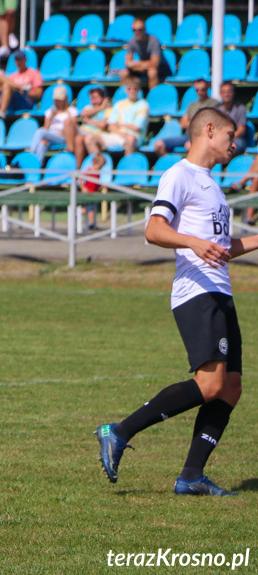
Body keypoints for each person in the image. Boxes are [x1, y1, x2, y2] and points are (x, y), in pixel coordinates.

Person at [96, 108, 254, 497]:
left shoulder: (214, 187)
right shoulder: (178, 174)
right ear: (209, 130)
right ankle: (118, 431)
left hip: (221, 291)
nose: (235, 144)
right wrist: (194, 242)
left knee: (230, 387)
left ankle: (191, 477)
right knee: (211, 383)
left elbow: (222, 249)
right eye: (230, 135)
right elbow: (154, 230)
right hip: (196, 293)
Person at [84, 75, 148, 158]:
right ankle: (99, 166)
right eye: (129, 88)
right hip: (118, 134)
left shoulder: (143, 105)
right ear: (126, 90)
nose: (132, 91)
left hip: (135, 136)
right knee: (89, 139)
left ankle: (126, 168)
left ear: (139, 90)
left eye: (135, 89)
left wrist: (120, 125)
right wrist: (122, 133)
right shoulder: (119, 104)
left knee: (130, 139)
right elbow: (111, 126)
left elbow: (136, 127)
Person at [154, 79, 218, 157]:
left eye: (202, 89)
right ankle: (174, 164)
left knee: (189, 146)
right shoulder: (192, 105)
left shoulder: (214, 104)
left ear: (207, 88)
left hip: (202, 136)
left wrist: (191, 121)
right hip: (187, 135)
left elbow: (208, 124)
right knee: (159, 145)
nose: (200, 92)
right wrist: (197, 121)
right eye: (197, 90)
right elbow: (183, 124)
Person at [30, 85, 78, 164]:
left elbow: (73, 127)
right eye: (56, 100)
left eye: (60, 99)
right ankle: (37, 166)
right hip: (51, 135)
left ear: (65, 99)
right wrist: (50, 119)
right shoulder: (50, 111)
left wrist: (61, 132)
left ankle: (31, 153)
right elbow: (46, 128)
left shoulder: (72, 111)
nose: (57, 102)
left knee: (40, 132)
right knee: (42, 143)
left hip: (63, 136)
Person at [123, 17, 171, 89]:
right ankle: (123, 98)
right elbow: (127, 63)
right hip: (143, 68)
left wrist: (136, 64)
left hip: (161, 69)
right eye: (134, 30)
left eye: (140, 30)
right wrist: (141, 65)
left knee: (152, 72)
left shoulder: (154, 40)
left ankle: (153, 97)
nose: (137, 32)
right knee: (124, 73)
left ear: (144, 30)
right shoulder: (131, 41)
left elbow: (154, 63)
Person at [0, 50, 43, 117]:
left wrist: (27, 93)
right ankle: (2, 111)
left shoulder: (34, 73)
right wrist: (20, 88)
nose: (18, 62)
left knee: (7, 85)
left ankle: (1, 112)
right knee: (0, 77)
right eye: (16, 60)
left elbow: (38, 94)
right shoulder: (12, 76)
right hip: (12, 101)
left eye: (20, 60)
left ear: (25, 60)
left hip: (25, 101)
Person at [74, 86, 112, 167]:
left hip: (96, 134)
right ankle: (79, 168)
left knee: (79, 138)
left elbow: (102, 125)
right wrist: (101, 108)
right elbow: (83, 114)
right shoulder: (89, 107)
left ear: (103, 98)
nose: (93, 100)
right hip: (82, 131)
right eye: (91, 98)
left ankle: (82, 167)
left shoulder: (108, 110)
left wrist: (88, 121)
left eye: (95, 98)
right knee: (76, 134)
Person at [217, 82, 248, 158]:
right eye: (223, 92)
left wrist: (228, 139)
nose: (226, 94)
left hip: (236, 139)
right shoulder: (216, 109)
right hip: (220, 138)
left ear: (233, 93)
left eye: (228, 92)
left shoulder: (240, 108)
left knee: (230, 147)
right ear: (220, 93)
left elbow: (241, 129)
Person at [79, 152, 106, 230]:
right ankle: (91, 223)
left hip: (94, 193)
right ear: (94, 163)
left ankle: (92, 222)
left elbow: (96, 182)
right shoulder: (89, 171)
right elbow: (80, 179)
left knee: (92, 208)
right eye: (100, 166)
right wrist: (83, 188)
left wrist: (100, 186)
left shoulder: (98, 173)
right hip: (88, 193)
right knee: (89, 208)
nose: (100, 168)